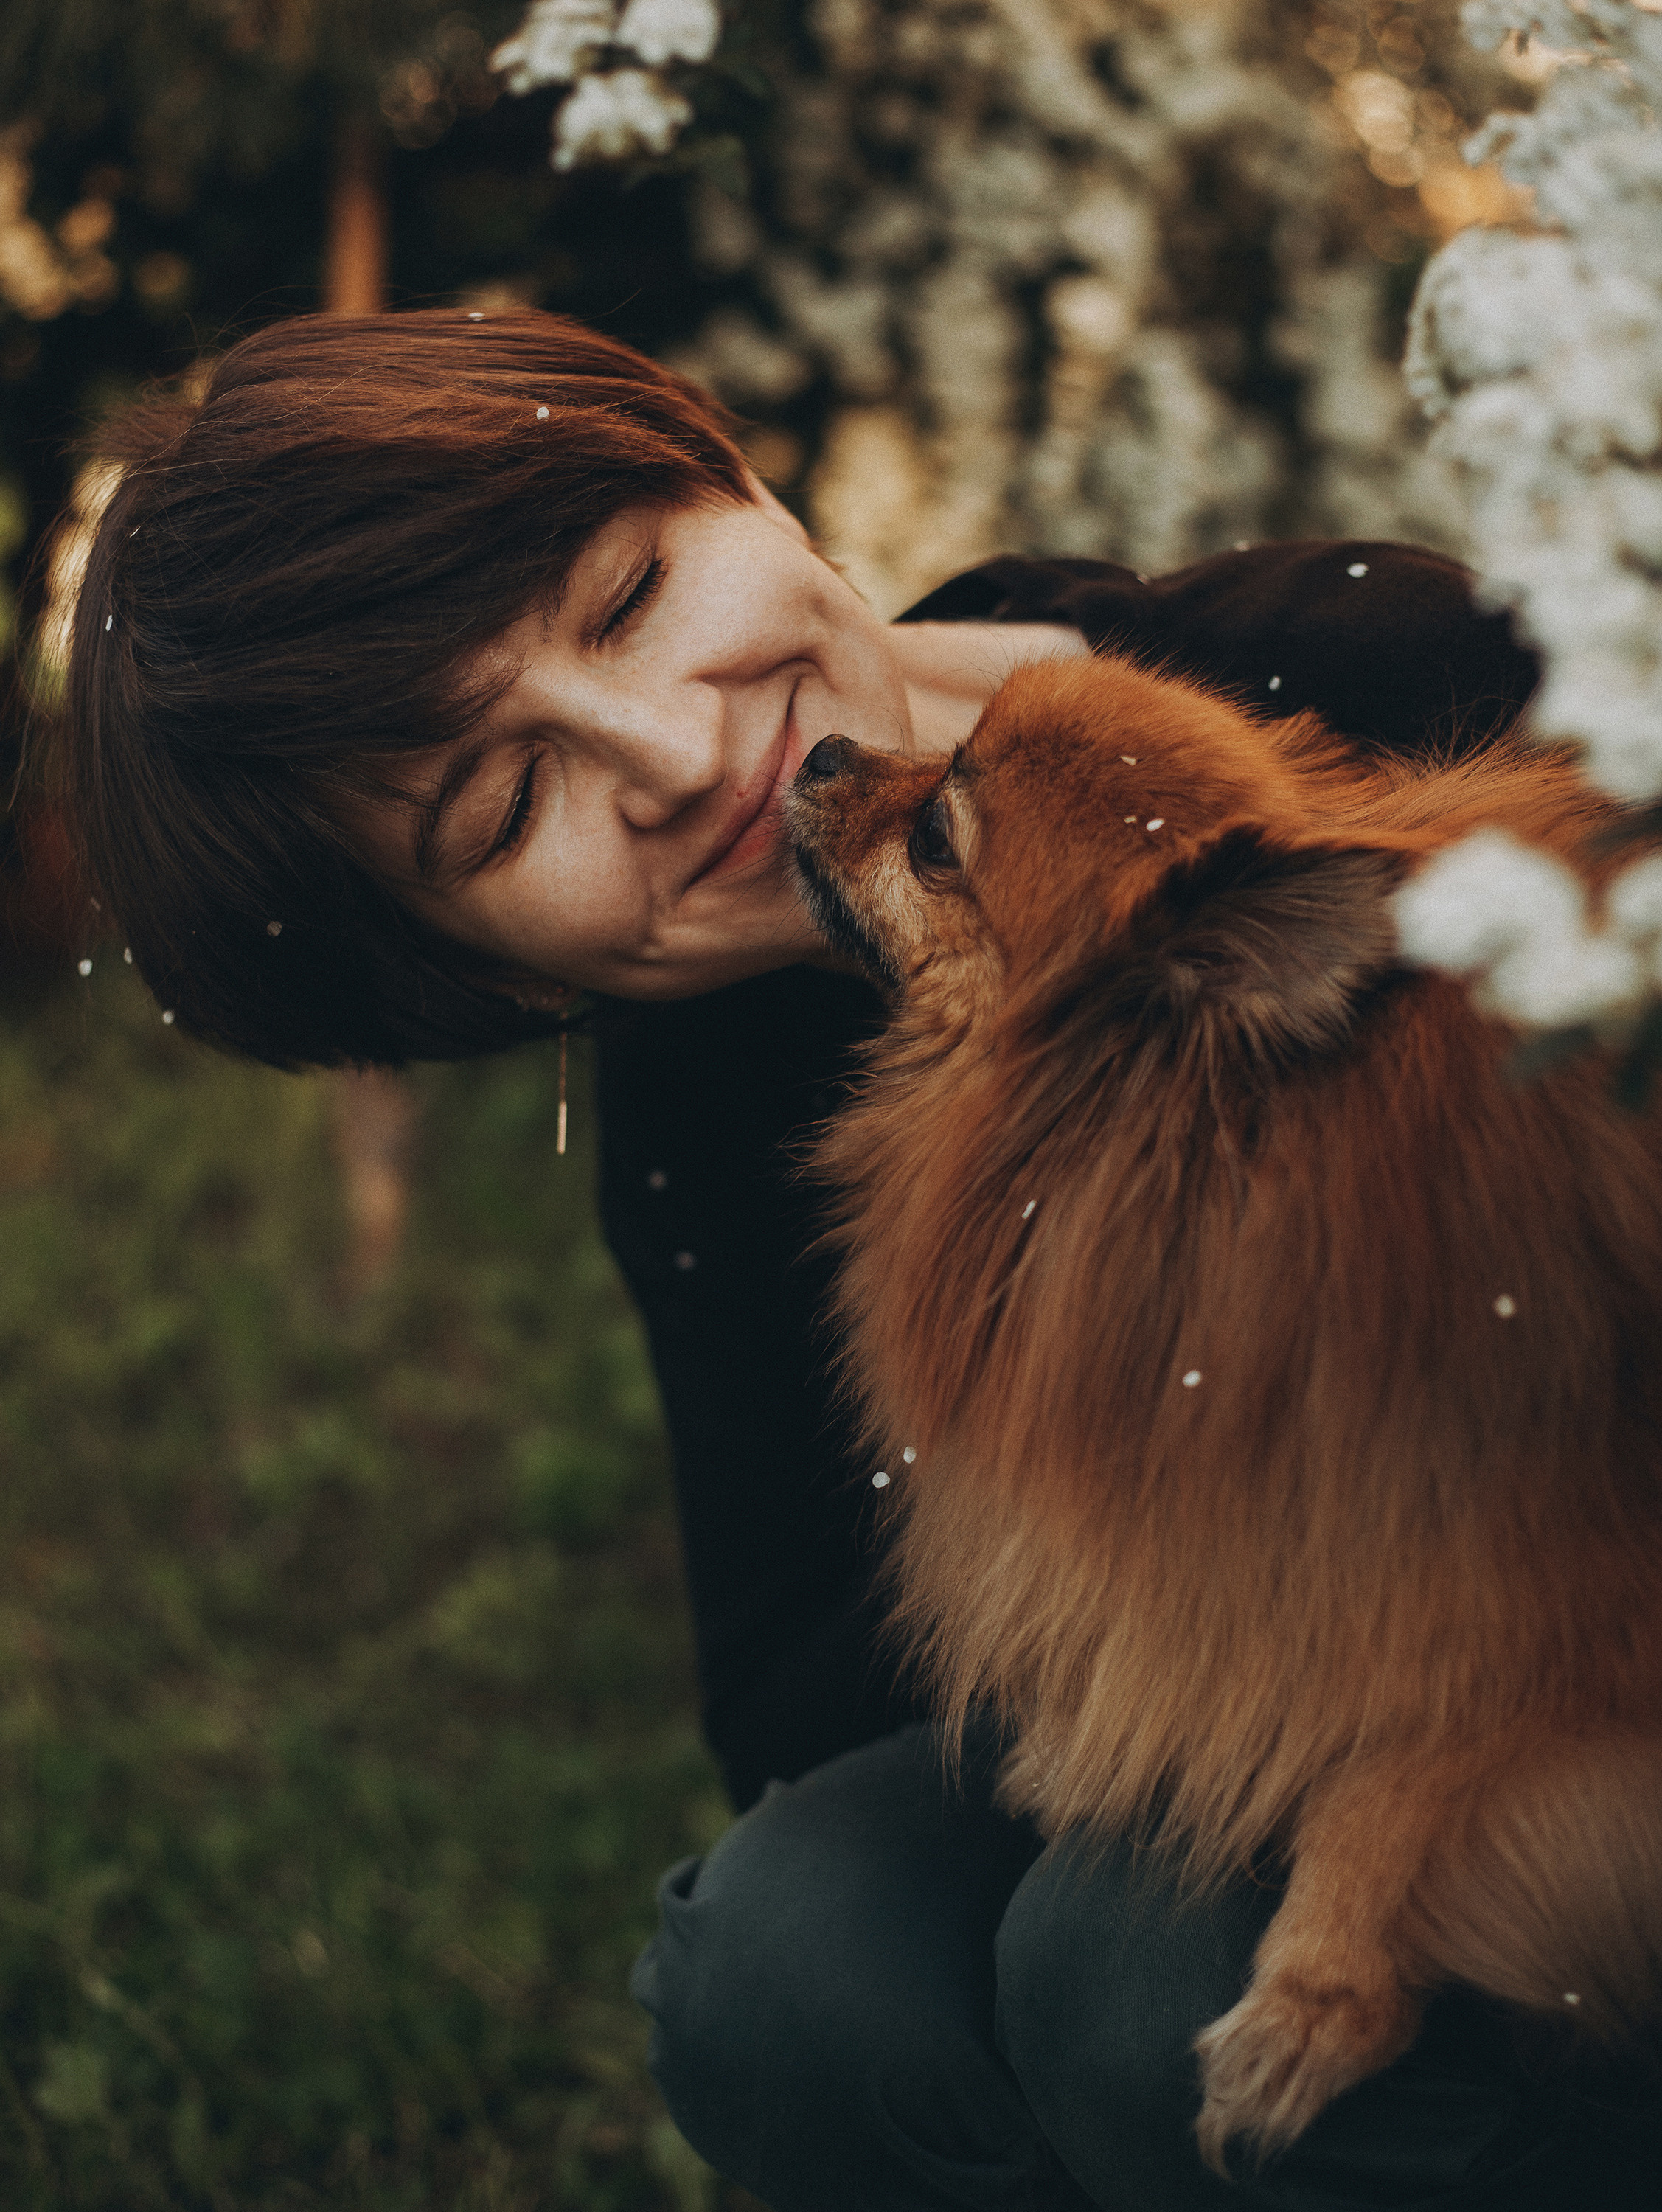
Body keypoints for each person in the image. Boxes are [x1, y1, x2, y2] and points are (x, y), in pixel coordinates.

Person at [53, 309, 1657, 2210]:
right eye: (507, 808)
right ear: (480, 977)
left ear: (728, 463)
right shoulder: (705, 1100)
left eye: (630, 594)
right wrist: (1107, 1516)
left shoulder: (1386, 667)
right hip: (1186, 1719)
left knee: (1132, 1975)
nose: (676, 752)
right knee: (783, 1969)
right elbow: (801, 1697)